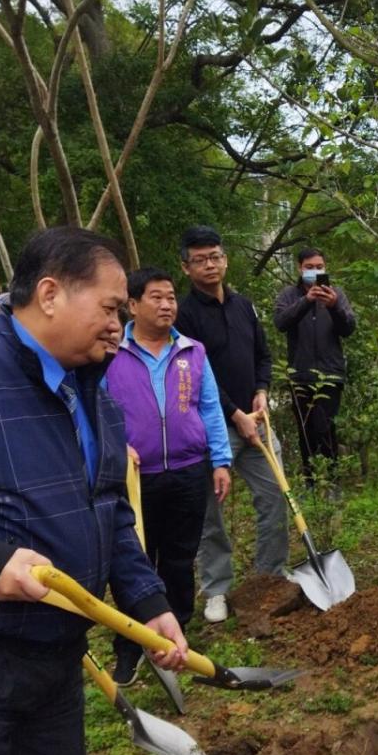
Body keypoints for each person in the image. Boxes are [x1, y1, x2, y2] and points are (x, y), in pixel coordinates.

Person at [0, 226, 187, 755]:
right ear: (50, 294)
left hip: (53, 674)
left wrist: (148, 602)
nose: (121, 322)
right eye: (110, 308)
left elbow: (110, 511)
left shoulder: (94, 395)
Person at [104, 268, 232, 684]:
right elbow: (92, 407)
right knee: (133, 560)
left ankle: (178, 637)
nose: (166, 305)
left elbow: (210, 407)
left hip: (187, 472)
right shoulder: (110, 352)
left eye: (171, 297)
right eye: (156, 298)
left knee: (179, 558)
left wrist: (220, 460)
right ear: (133, 304)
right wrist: (113, 444)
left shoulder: (192, 351)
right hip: (133, 478)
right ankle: (129, 647)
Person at [175, 225, 288, 623]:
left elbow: (263, 355)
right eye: (201, 259)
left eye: (216, 256)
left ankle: (270, 577)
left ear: (225, 259)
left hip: (254, 420)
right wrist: (234, 415)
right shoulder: (183, 316)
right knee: (211, 514)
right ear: (186, 267)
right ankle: (217, 590)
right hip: (211, 429)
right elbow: (194, 377)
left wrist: (261, 390)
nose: (211, 265)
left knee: (275, 496)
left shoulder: (244, 306)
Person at [274, 246, 357, 486]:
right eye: (309, 267)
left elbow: (349, 328)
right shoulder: (289, 295)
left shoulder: (336, 294)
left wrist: (333, 307)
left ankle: (331, 481)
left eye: (319, 267)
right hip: (299, 375)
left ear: (325, 268)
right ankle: (310, 480)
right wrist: (306, 301)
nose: (314, 271)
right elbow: (281, 322)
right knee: (305, 430)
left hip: (330, 375)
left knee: (326, 427)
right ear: (300, 269)